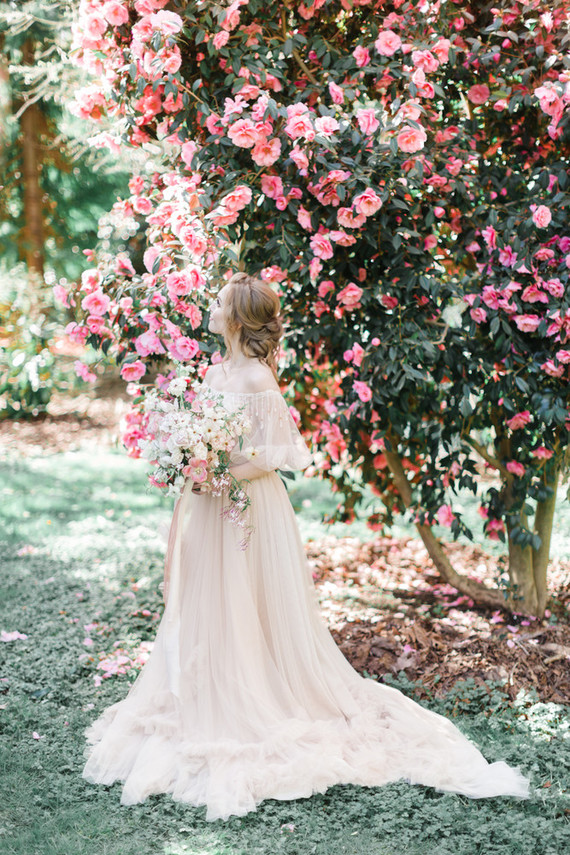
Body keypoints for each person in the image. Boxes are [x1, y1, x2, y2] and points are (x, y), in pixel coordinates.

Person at [82, 272, 530, 822]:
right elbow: (202, 432)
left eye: (221, 304)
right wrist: (189, 463)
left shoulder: (256, 381)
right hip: (208, 502)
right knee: (208, 602)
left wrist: (214, 471)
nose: (212, 309)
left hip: (244, 505)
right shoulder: (215, 370)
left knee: (247, 601)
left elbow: (273, 454)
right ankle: (201, 690)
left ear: (240, 319)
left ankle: (252, 693)